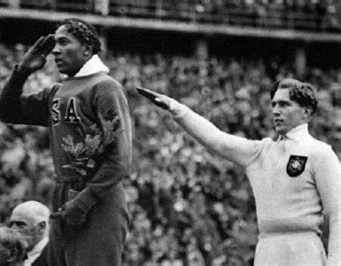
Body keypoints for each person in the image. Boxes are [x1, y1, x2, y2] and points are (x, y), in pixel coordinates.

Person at [137, 78, 341, 265]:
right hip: (267, 249)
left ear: (306, 112)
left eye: (284, 104)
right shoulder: (260, 152)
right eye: (274, 104)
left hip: (304, 249)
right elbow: (216, 138)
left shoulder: (320, 153)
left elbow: (338, 213)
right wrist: (176, 108)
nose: (276, 110)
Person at [0, 18, 132, 266]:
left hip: (97, 197)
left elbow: (119, 158)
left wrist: (84, 200)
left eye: (64, 42)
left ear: (87, 49)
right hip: (64, 194)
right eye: (54, 43)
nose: (55, 50)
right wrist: (22, 71)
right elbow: (7, 111)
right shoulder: (57, 92)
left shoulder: (105, 87)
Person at [9, 201, 50, 266]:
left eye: (20, 224)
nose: (13, 230)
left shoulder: (55, 256)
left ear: (41, 227)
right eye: (11, 225)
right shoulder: (13, 256)